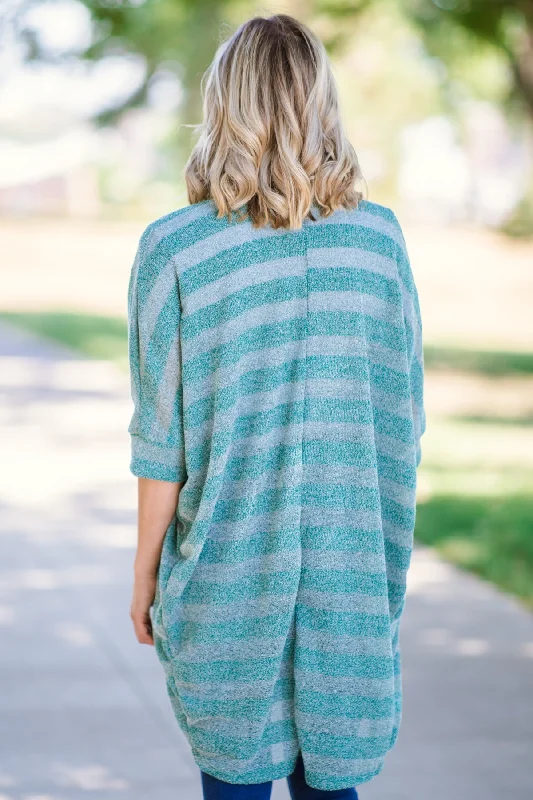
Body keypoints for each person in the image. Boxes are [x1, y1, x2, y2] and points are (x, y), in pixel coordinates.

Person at [127, 13, 425, 800]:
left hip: (224, 576)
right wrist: (385, 569)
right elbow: (400, 425)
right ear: (321, 104)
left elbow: (163, 443)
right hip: (351, 570)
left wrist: (144, 578)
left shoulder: (177, 249)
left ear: (223, 104)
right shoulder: (378, 245)